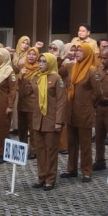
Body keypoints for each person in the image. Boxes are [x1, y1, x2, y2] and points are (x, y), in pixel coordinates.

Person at [61, 43, 102, 181]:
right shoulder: (71, 67)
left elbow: (98, 93)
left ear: (87, 54)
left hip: (84, 111)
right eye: (76, 50)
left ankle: (86, 171)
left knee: (85, 144)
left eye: (80, 51)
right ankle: (71, 169)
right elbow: (57, 69)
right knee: (71, 142)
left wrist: (89, 104)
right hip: (71, 110)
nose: (77, 53)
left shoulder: (92, 71)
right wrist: (64, 56)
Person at [30, 52, 67, 191]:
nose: (40, 64)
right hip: (38, 120)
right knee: (39, 151)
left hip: (51, 120)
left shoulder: (57, 78)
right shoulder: (36, 77)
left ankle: (50, 179)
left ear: (50, 63)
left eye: (44, 62)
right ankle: (41, 176)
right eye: (39, 61)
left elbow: (61, 101)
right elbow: (28, 93)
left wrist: (58, 122)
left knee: (50, 151)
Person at [16, 46, 40, 149]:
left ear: (37, 56)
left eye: (34, 54)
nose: (31, 56)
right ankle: (22, 148)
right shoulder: (23, 68)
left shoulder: (39, 70)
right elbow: (16, 85)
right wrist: (20, 75)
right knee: (22, 127)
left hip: (32, 104)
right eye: (29, 54)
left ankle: (34, 150)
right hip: (21, 103)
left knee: (32, 128)